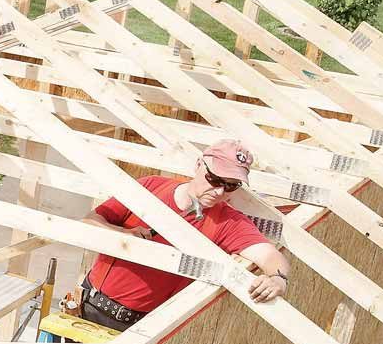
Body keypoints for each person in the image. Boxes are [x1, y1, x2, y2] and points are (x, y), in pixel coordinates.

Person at [78, 140, 290, 331]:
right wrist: (124, 234)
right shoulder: (150, 187)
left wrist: (278, 280)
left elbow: (269, 255)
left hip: (139, 329)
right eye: (214, 180)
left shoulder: (227, 222)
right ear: (199, 165)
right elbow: (90, 221)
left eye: (231, 186)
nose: (219, 192)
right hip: (88, 306)